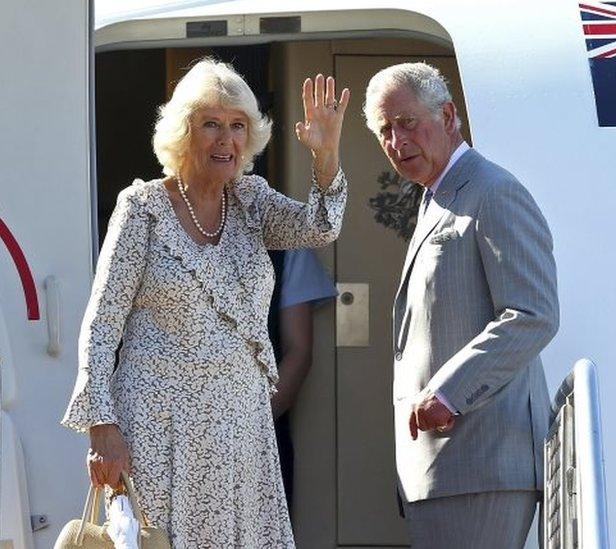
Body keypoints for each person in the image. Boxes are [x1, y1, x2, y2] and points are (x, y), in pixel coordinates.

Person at [61, 58, 350, 548]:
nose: (226, 139)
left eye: (237, 126)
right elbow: (102, 324)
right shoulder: (143, 211)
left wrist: (326, 157)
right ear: (183, 132)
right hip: (158, 428)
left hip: (240, 428)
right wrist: (101, 426)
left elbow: (320, 227)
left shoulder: (252, 202)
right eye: (211, 124)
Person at [363, 62, 559, 548]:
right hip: (447, 467)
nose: (396, 140)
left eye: (408, 123)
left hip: (480, 460)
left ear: (448, 116)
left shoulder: (493, 191)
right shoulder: (438, 196)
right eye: (384, 130)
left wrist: (448, 393)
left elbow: (533, 313)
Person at [267, 247, 337, 510]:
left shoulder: (286, 242)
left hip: (258, 439)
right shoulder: (147, 225)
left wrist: (246, 427)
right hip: (164, 431)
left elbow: (298, 352)